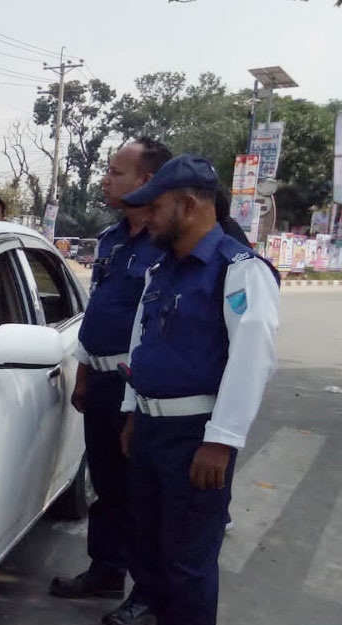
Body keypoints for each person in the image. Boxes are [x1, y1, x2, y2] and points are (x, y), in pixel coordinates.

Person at [119, 154, 280, 625]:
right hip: (149, 428)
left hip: (196, 436)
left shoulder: (238, 270)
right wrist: (132, 410)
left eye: (155, 207)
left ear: (188, 205)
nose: (145, 218)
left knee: (188, 559)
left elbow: (252, 360)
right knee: (147, 542)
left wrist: (221, 441)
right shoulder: (160, 269)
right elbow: (140, 341)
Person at [49, 138, 169, 625]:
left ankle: (147, 593)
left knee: (142, 493)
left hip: (138, 388)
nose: (105, 179)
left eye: (115, 172)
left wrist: (141, 398)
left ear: (146, 181)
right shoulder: (111, 238)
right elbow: (94, 311)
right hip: (98, 379)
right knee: (105, 483)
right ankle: (106, 569)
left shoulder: (165, 243)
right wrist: (81, 376)